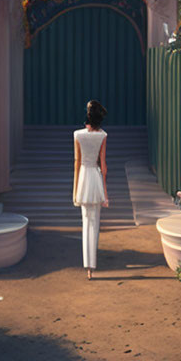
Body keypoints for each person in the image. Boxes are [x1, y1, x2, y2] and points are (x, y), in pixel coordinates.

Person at [72, 100, 109, 280]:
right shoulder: (103, 135)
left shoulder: (78, 135)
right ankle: (92, 265)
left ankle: (88, 266)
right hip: (95, 179)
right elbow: (103, 166)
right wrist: (106, 194)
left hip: (83, 179)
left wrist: (74, 190)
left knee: (85, 223)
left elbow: (77, 163)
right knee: (95, 224)